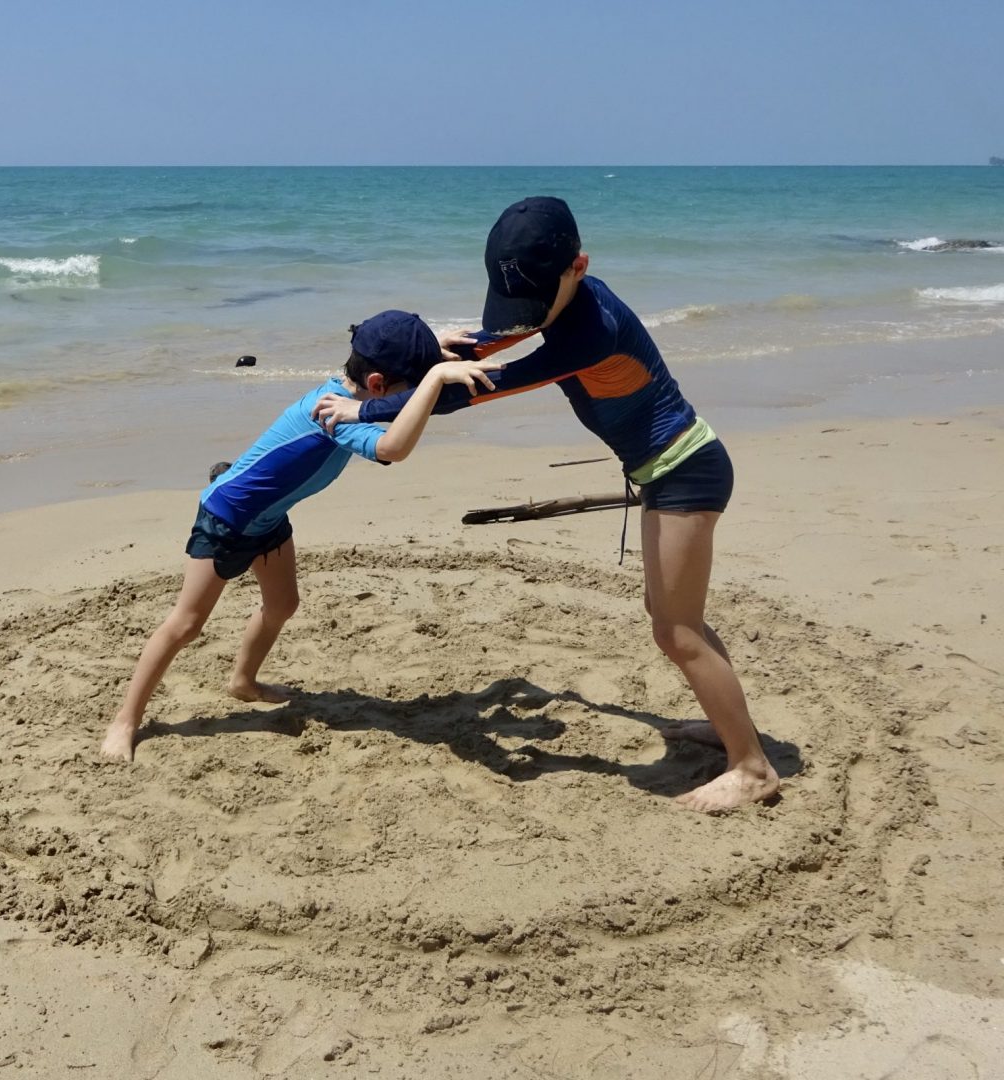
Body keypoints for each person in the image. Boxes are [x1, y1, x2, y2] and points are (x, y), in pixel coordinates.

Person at [313, 198, 779, 812]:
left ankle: (752, 769)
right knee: (673, 618)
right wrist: (431, 354)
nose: (524, 314)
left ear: (577, 267)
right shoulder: (566, 300)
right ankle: (728, 728)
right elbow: (490, 344)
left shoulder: (591, 331)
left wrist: (365, 409)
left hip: (685, 474)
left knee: (676, 630)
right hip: (669, 474)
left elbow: (480, 389)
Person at [100, 311, 500, 762]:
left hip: (268, 517)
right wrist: (436, 378)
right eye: (409, 386)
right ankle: (125, 721)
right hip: (227, 517)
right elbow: (394, 448)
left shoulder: (348, 389)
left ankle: (243, 682)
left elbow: (385, 365)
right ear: (376, 385)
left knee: (283, 605)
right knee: (186, 624)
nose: (411, 394)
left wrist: (429, 350)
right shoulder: (335, 415)